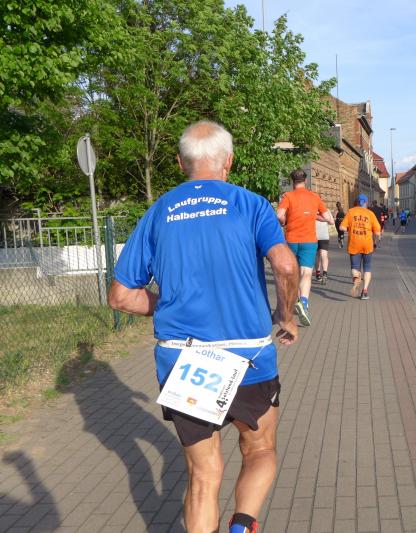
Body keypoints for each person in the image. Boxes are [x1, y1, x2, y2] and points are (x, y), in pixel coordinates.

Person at [108, 120, 299, 533]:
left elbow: (121, 296)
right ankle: (241, 525)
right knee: (260, 450)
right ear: (228, 161)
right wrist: (285, 316)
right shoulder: (251, 205)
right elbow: (285, 265)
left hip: (184, 359)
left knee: (203, 476)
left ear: (181, 163)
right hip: (249, 357)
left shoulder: (158, 212)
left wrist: (167, 305)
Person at [276, 169, 335, 326]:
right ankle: (303, 302)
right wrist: (315, 216)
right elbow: (328, 218)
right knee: (306, 273)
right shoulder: (314, 197)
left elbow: (279, 215)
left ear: (292, 181)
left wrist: (284, 222)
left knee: (293, 274)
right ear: (306, 181)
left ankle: (294, 302)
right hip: (309, 240)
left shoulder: (288, 196)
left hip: (291, 240)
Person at [339, 194, 382, 300]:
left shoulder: (351, 212)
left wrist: (350, 229)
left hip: (354, 244)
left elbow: (341, 227)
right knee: (367, 268)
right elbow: (377, 232)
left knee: (355, 267)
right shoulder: (370, 214)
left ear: (357, 202)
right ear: (366, 203)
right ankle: (365, 291)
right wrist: (376, 241)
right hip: (367, 244)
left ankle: (356, 279)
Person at [314, 217, 330, 284]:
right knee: (324, 255)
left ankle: (318, 274)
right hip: (324, 235)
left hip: (314, 235)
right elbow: (331, 222)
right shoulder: (326, 212)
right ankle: (325, 273)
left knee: (317, 255)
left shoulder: (311, 211)